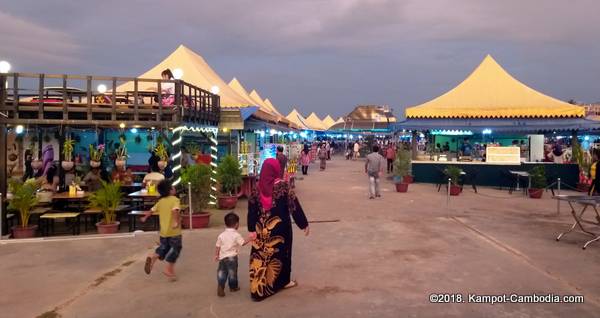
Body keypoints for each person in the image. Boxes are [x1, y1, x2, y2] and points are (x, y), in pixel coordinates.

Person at [248, 158, 309, 301]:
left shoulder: (256, 188)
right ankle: (283, 282)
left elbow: (251, 211)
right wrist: (303, 224)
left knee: (261, 256)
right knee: (282, 254)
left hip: (261, 229)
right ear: (276, 170)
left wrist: (252, 229)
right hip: (281, 230)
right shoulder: (283, 186)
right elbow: (294, 206)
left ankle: (258, 289)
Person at [142, 180, 181, 281]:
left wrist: (145, 217)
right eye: (172, 187)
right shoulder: (175, 200)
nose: (174, 188)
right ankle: (169, 269)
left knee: (164, 248)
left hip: (163, 232)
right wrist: (176, 222)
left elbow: (152, 210)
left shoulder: (161, 201)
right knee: (176, 249)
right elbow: (175, 210)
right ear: (170, 190)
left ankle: (153, 257)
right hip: (174, 232)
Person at [215, 212, 253, 297]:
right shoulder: (236, 235)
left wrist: (216, 255)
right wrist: (250, 238)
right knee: (232, 273)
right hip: (232, 258)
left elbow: (217, 246)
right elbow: (242, 243)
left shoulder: (221, 235)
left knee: (222, 272)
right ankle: (233, 287)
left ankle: (221, 286)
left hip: (222, 257)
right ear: (236, 224)